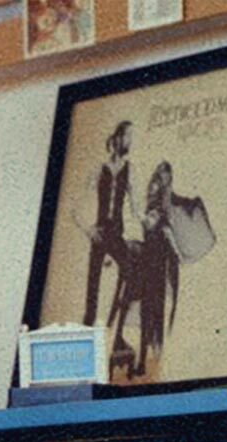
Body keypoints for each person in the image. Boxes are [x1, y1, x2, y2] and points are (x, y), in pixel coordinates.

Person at [81, 120, 132, 328]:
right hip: (100, 232)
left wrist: (149, 219)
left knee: (130, 270)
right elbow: (77, 204)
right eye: (127, 135)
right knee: (92, 287)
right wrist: (88, 229)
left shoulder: (130, 170)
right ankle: (87, 330)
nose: (130, 140)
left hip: (116, 233)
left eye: (131, 137)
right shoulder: (99, 169)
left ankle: (116, 323)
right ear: (118, 138)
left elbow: (136, 207)